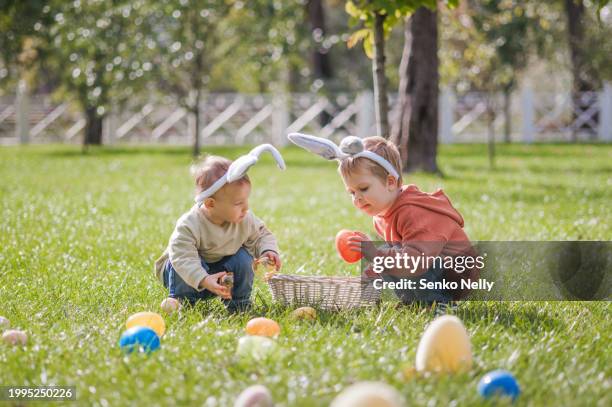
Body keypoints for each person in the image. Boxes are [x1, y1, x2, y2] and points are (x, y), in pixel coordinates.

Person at [288, 133, 478, 308]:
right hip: (430, 264)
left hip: (456, 275)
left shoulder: (414, 213)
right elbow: (395, 254)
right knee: (389, 257)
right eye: (351, 192)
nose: (357, 198)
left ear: (390, 182)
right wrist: (372, 273)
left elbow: (417, 261)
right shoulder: (382, 216)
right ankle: (415, 301)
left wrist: (375, 254)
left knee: (392, 259)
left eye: (363, 188)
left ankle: (439, 303)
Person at [154, 145, 285, 311]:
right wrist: (203, 279)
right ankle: (181, 302)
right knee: (179, 263)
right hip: (188, 272)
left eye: (246, 200)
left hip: (220, 274)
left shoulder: (244, 218)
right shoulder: (190, 224)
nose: (246, 208)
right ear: (210, 204)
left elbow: (261, 236)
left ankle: (238, 304)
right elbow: (182, 256)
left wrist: (267, 251)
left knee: (244, 259)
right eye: (238, 203)